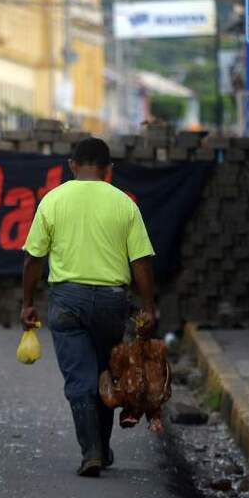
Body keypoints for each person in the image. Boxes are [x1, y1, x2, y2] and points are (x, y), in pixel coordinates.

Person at [20, 137, 156, 478]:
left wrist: (27, 303)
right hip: (113, 301)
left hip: (67, 300)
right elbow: (141, 261)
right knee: (105, 372)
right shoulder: (124, 204)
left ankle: (92, 450)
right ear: (109, 170)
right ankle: (101, 449)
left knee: (80, 379)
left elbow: (32, 259)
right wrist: (148, 307)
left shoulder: (53, 200)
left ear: (71, 165)